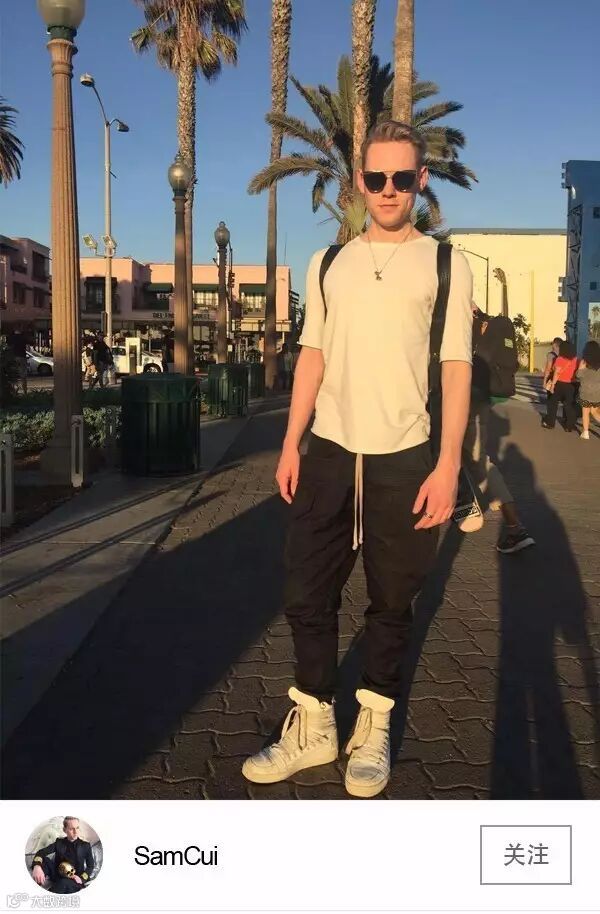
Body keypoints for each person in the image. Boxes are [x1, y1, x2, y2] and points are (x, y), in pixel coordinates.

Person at [242, 120, 473, 798]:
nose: (389, 189)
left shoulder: (444, 263)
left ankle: (373, 724)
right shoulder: (328, 264)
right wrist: (291, 441)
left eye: (402, 178)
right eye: (377, 177)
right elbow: (312, 355)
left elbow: (456, 365)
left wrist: (448, 464)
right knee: (305, 592)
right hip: (331, 450)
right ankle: (314, 724)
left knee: (392, 600)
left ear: (420, 180)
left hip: (406, 453)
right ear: (360, 182)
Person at [464, 305, 535, 553]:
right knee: (478, 458)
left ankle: (513, 525)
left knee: (473, 458)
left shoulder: (465, 326)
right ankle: (511, 522)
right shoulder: (488, 327)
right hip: (480, 398)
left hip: (462, 398)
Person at [31, 817, 95, 894]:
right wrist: (37, 866)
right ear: (65, 830)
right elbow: (41, 852)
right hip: (57, 874)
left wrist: (81, 879)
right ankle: (37, 882)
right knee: (44, 860)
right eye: (71, 829)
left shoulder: (85, 845)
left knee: (63, 883)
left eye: (77, 828)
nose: (75, 832)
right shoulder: (59, 842)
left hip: (74, 879)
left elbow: (90, 866)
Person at [542, 339, 578, 431]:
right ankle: (569, 426)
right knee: (569, 405)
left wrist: (553, 385)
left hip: (559, 384)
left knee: (552, 402)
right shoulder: (576, 359)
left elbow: (557, 373)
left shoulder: (560, 359)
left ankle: (550, 423)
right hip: (571, 385)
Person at [576, 339, 600, 440]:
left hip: (585, 392)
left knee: (585, 413)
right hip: (597, 393)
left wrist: (580, 369)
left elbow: (578, 376)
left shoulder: (584, 362)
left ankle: (585, 433)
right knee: (594, 412)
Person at [9, 326, 28, 395]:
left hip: (14, 358)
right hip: (22, 357)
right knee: (23, 376)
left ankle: (14, 392)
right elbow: (28, 348)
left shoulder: (11, 338)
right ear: (20, 330)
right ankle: (25, 392)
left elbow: (8, 348)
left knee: (13, 376)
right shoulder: (23, 338)